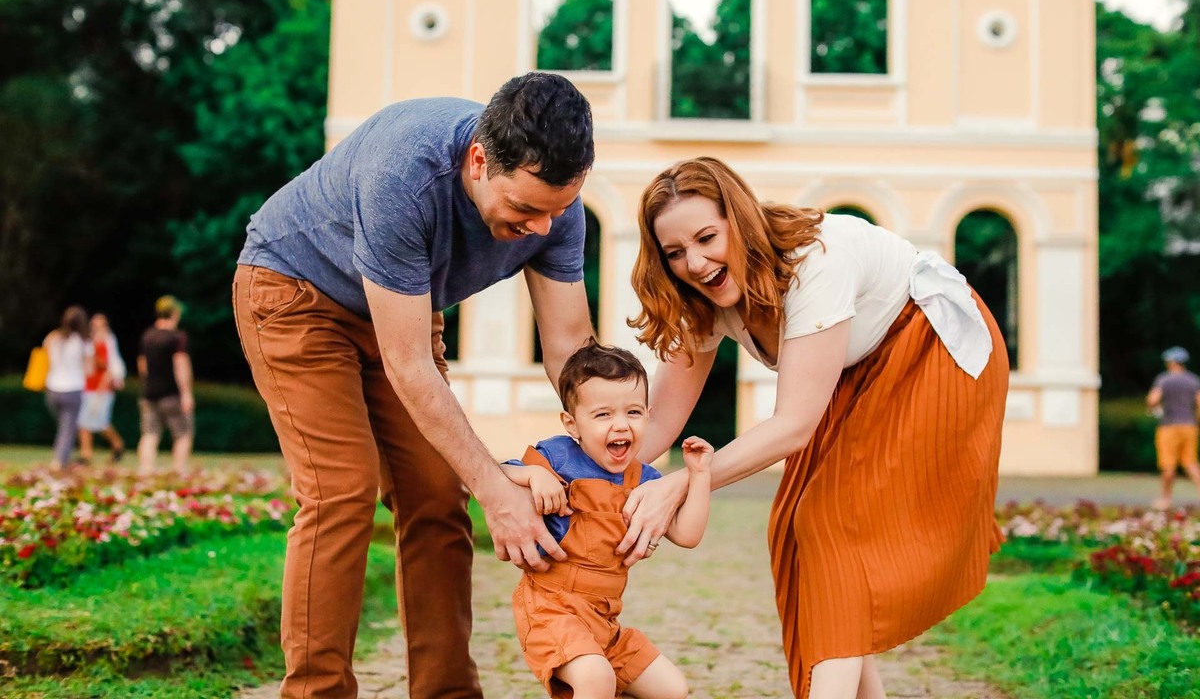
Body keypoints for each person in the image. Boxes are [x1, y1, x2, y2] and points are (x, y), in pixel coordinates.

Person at [232, 72, 597, 699]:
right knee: (341, 490)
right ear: (480, 161)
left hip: (402, 307)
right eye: (526, 210)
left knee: (435, 496)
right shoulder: (406, 172)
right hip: (296, 294)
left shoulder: (556, 211)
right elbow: (408, 365)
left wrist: (608, 458)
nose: (542, 228)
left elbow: (569, 351)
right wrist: (496, 489)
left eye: (558, 210)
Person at [619, 157, 1008, 699]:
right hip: (851, 366)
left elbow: (793, 426)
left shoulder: (813, 261)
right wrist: (569, 470)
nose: (696, 262)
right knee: (797, 529)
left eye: (708, 237)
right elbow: (659, 421)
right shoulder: (699, 299)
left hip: (930, 348)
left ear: (741, 220)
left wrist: (680, 484)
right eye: (675, 252)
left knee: (830, 522)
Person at [501, 340, 712, 699]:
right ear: (572, 423)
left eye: (633, 412)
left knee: (672, 689)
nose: (621, 425)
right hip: (551, 609)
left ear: (648, 414)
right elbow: (500, 474)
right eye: (603, 415)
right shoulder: (557, 457)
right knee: (596, 678)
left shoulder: (645, 480)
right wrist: (533, 476)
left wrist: (701, 475)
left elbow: (688, 535)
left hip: (604, 622)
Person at [137, 295, 195, 476]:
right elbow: (181, 365)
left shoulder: (147, 336)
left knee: (150, 434)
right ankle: (179, 469)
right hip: (172, 394)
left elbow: (142, 365)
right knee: (183, 434)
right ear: (174, 313)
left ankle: (145, 470)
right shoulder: (177, 337)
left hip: (149, 392)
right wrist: (186, 393)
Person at [1146, 346, 1200, 510]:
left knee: (1168, 465)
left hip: (1168, 426)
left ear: (1171, 362)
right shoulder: (1193, 380)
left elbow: (1152, 400)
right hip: (1189, 426)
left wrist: (1157, 406)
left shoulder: (1164, 380)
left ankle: (1166, 499)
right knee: (1191, 463)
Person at [43, 306, 93, 470]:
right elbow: (89, 369)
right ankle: (59, 461)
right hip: (73, 388)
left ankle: (61, 455)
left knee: (63, 426)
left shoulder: (53, 337)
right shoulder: (83, 342)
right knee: (68, 428)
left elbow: (44, 359)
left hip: (52, 387)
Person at [77, 312, 127, 464]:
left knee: (98, 423)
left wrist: (101, 390)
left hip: (100, 390)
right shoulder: (89, 343)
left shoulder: (106, 345)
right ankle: (87, 454)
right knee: (85, 422)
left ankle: (116, 445)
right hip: (88, 387)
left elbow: (108, 370)